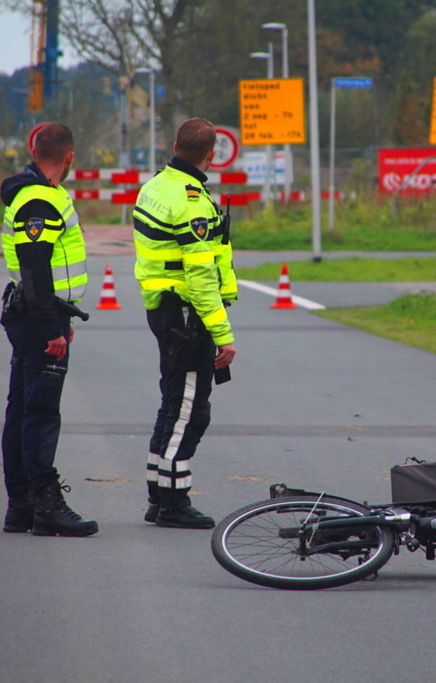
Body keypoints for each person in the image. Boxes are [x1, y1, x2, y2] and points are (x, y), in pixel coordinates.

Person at [133, 118, 238, 529]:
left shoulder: (155, 186)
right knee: (191, 410)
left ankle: (158, 495)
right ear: (211, 154)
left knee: (173, 402)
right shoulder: (192, 201)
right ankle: (174, 501)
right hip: (186, 313)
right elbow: (199, 277)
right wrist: (223, 334)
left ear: (175, 144)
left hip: (162, 307)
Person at [0, 122, 99, 537]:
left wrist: (61, 318)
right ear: (69, 156)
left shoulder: (40, 192)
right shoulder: (39, 199)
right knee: (39, 415)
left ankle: (21, 507)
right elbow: (36, 268)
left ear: (33, 150)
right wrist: (50, 327)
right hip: (39, 318)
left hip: (41, 315)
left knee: (23, 411)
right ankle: (44, 504)